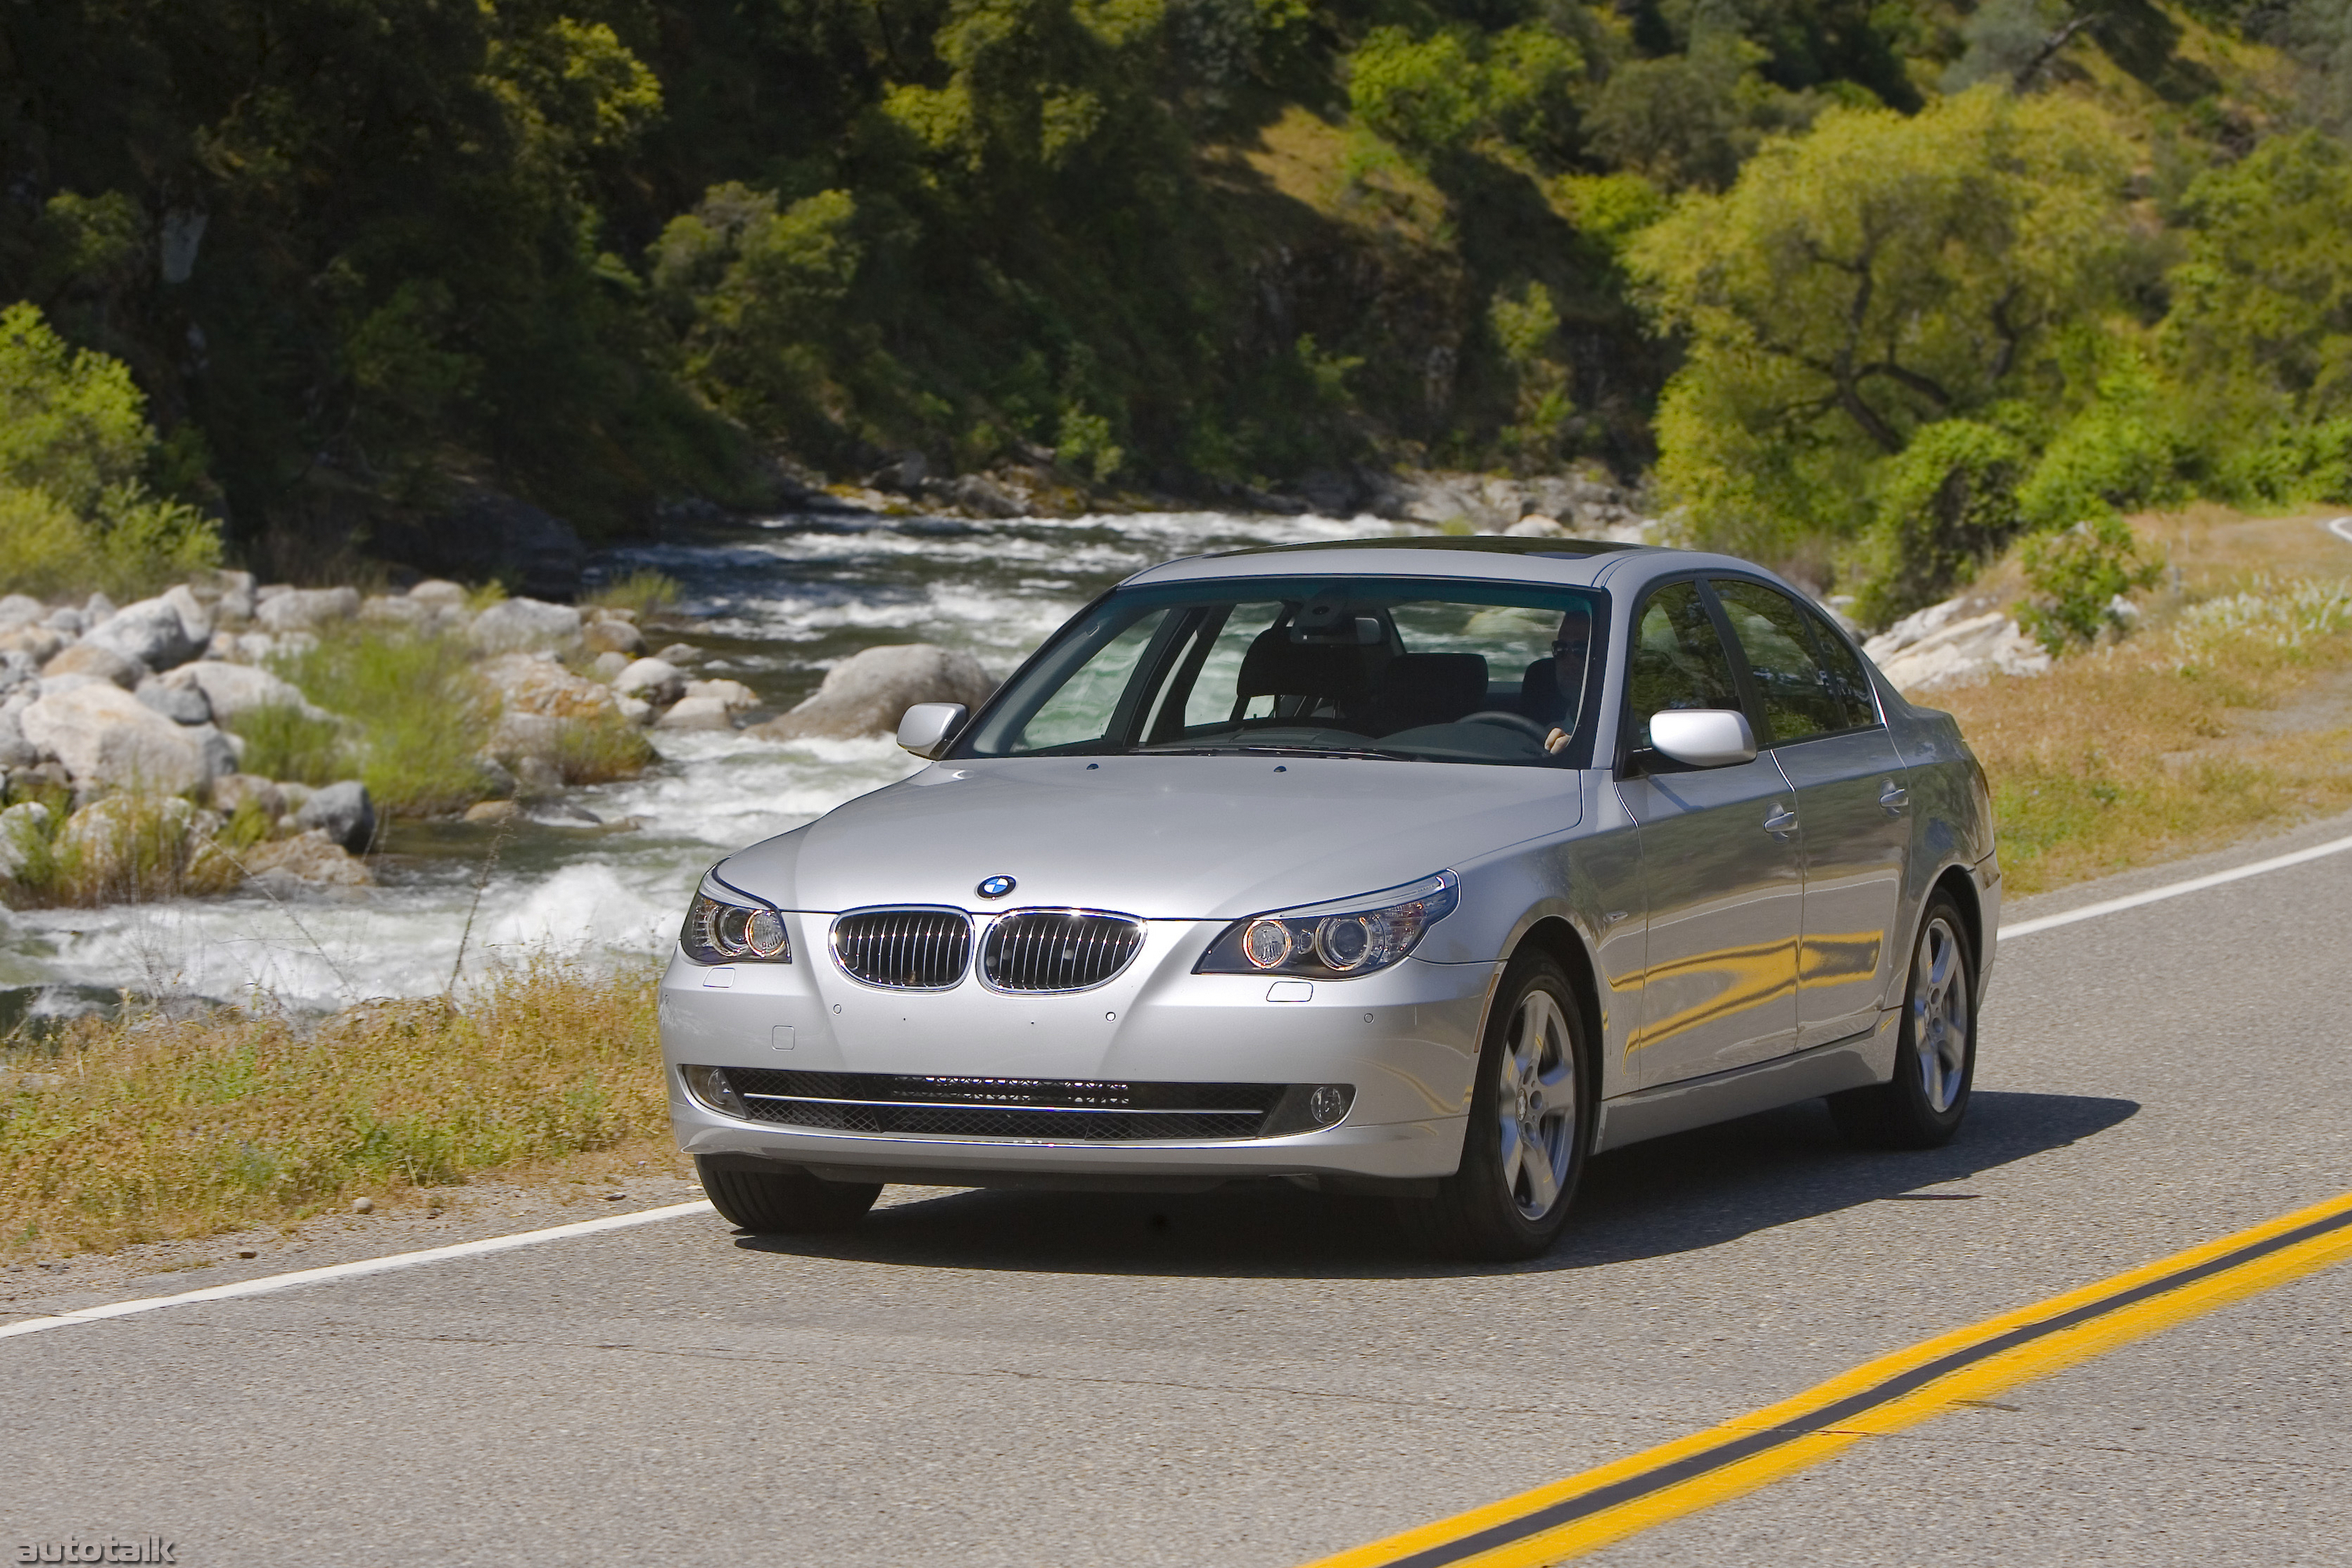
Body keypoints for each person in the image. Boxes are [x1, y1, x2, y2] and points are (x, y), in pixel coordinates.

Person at [1542, 606, 1592, 755]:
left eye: (1582, 649)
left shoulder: (1625, 734)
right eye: (1561, 648)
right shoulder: (1543, 735)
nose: (1569, 660)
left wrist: (1578, 749)